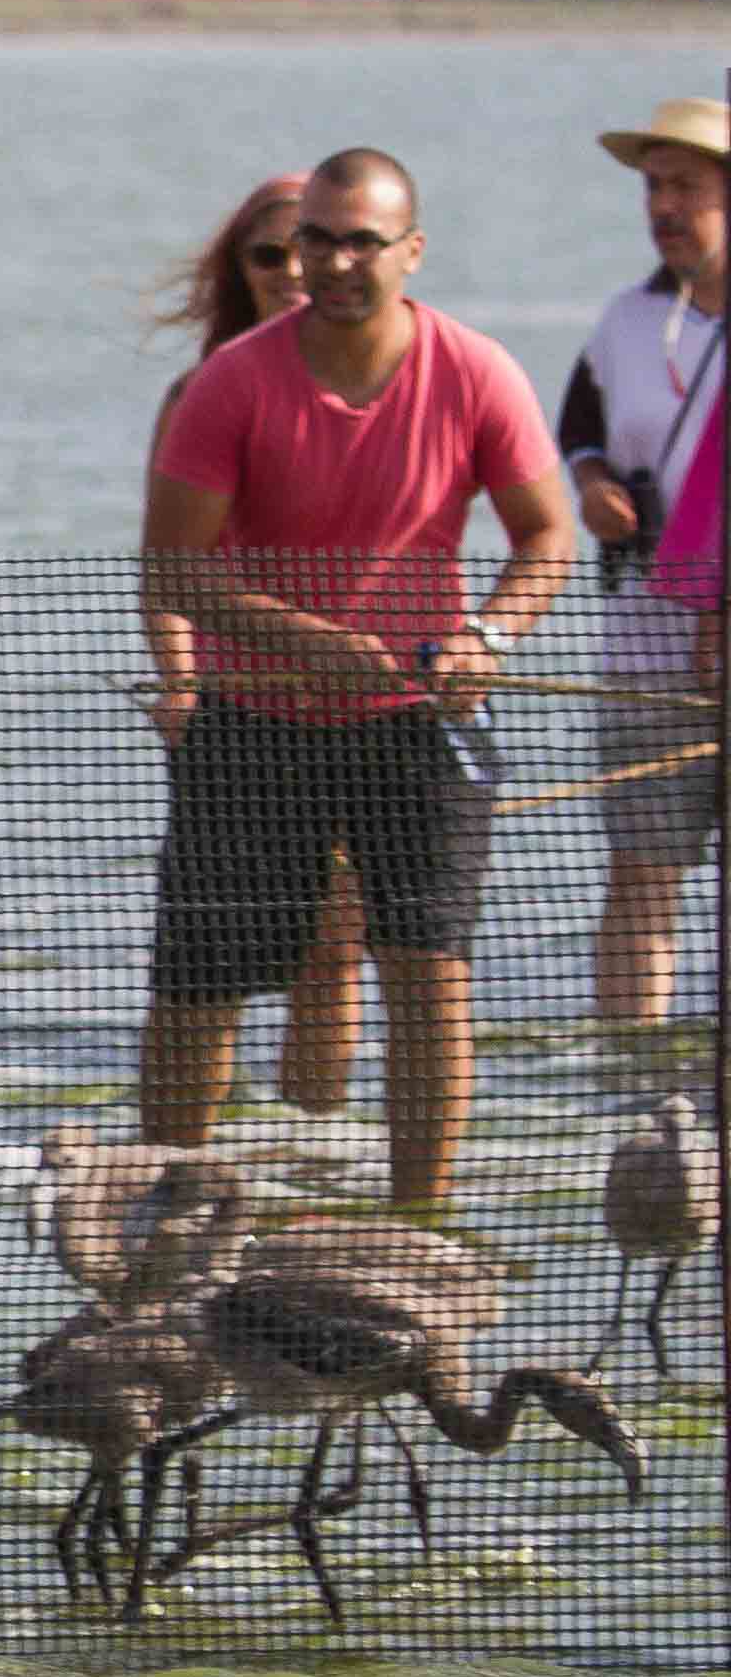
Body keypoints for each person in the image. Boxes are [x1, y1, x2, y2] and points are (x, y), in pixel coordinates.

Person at [139, 146, 580, 1212]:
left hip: (416, 726)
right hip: (253, 722)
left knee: (428, 978)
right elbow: (171, 570)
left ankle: (418, 1223)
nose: (334, 264)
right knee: (200, 988)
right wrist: (296, 638)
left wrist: (490, 638)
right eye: (315, 242)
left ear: (410, 252)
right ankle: (164, 1217)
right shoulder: (228, 384)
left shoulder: (478, 371)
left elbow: (545, 535)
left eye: (361, 243)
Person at [138, 174, 368, 1109]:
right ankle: (185, 1169)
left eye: (304, 249)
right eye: (265, 255)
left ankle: (311, 1158)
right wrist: (182, 687)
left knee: (334, 950)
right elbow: (163, 572)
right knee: (212, 959)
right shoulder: (200, 392)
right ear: (241, 271)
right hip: (236, 714)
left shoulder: (384, 383)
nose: (288, 272)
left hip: (363, 709)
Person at [561, 97, 727, 1028]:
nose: (664, 206)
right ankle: (631, 1092)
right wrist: (588, 483)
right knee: (640, 884)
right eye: (654, 187)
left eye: (688, 188)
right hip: (644, 663)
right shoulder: (624, 321)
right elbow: (579, 425)